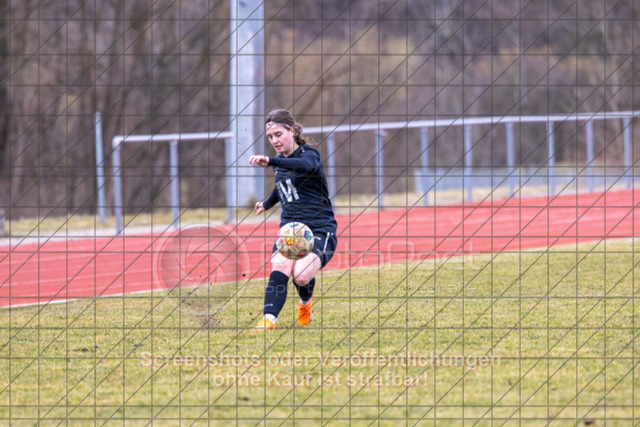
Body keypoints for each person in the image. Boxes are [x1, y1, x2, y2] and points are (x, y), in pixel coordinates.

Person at [248, 109, 338, 330]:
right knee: (280, 266)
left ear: (292, 131)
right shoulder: (280, 162)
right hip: (290, 228)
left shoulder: (309, 155)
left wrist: (271, 161)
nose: (274, 141)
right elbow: (283, 186)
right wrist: (267, 203)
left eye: (278, 134)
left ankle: (305, 304)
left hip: (319, 227)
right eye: (270, 137)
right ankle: (268, 319)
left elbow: (305, 167)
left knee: (300, 276)